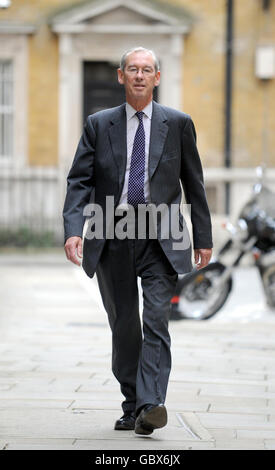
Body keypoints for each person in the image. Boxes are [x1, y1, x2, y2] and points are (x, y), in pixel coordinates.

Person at [63, 47, 213, 436]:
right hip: (112, 234)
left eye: (147, 70)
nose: (140, 76)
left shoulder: (178, 124)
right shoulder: (99, 124)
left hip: (162, 237)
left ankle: (151, 404)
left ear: (157, 78)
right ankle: (132, 403)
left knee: (157, 320)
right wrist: (74, 228)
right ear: (121, 76)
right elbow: (79, 180)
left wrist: (203, 236)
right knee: (125, 325)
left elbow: (194, 184)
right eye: (133, 69)